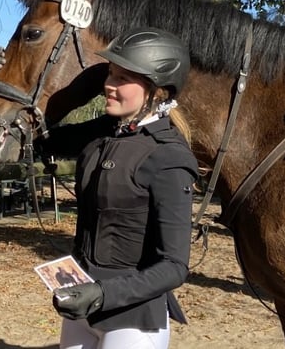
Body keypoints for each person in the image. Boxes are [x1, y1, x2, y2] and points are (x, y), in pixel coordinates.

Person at [35, 26, 199, 349]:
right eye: (110, 74)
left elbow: (175, 267)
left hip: (132, 320)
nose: (108, 85)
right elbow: (42, 138)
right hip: (81, 304)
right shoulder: (106, 132)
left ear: (158, 90)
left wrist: (102, 294)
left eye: (123, 78)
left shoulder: (168, 157)